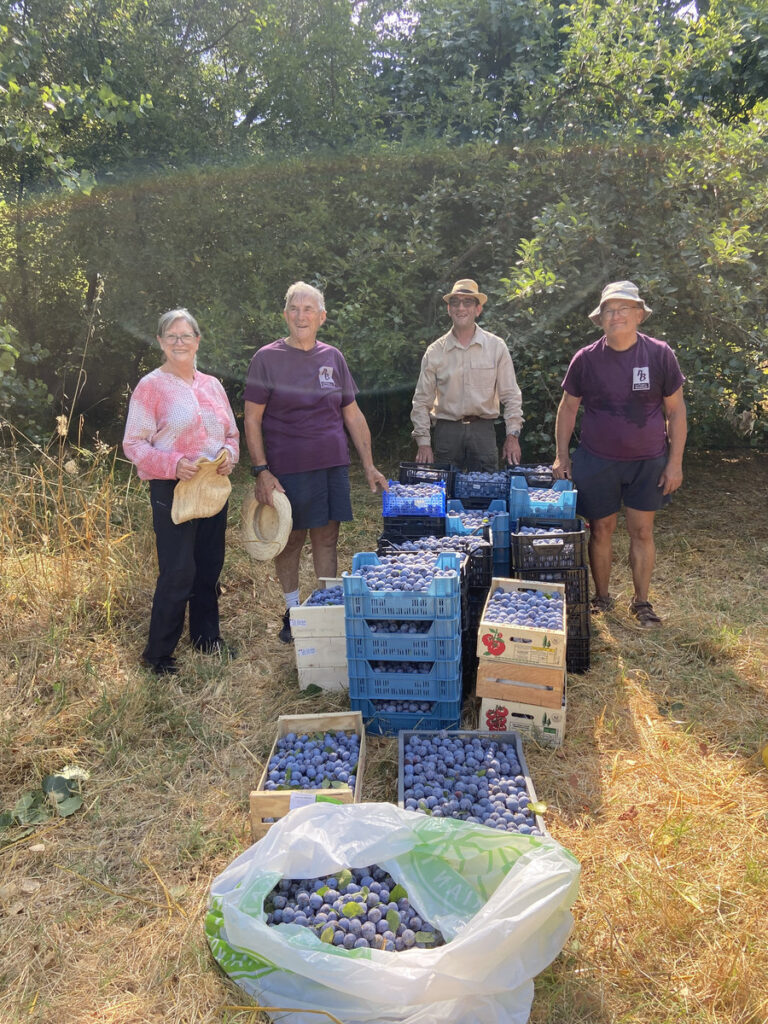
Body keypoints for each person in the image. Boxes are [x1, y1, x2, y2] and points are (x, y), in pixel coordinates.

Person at [243, 282, 388, 644]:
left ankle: (325, 609)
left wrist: (368, 464)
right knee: (290, 542)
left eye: (309, 309)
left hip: (331, 466)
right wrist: (261, 470)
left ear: (321, 317)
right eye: (294, 308)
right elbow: (252, 419)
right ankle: (293, 613)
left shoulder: (333, 357)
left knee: (327, 539)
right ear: (285, 315)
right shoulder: (266, 358)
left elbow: (352, 414)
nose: (301, 315)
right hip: (287, 470)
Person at [552, 281, 687, 628]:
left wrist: (675, 463)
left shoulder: (659, 354)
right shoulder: (586, 359)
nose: (616, 316)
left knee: (642, 531)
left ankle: (642, 603)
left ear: (639, 315)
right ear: (601, 319)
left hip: (649, 460)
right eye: (609, 310)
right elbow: (567, 409)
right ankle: (602, 597)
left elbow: (676, 412)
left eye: (623, 309)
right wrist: (561, 456)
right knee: (601, 529)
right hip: (597, 459)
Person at [123, 308, 240, 674]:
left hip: (212, 487)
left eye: (185, 335)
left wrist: (229, 457)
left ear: (197, 341)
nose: (178, 342)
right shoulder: (151, 386)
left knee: (208, 565)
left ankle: (206, 638)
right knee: (177, 570)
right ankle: (158, 655)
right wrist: (172, 464)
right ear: (160, 342)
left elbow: (232, 436)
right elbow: (134, 444)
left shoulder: (212, 385)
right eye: (171, 336)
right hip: (172, 487)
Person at [410, 279, 524, 471]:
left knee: (486, 493)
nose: (461, 308)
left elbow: (511, 395)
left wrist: (512, 435)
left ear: (478, 309)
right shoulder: (435, 351)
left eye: (468, 302)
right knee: (445, 491)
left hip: (483, 431)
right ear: (449, 309)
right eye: (455, 302)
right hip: (447, 432)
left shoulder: (496, 347)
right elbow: (421, 401)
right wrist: (423, 442)